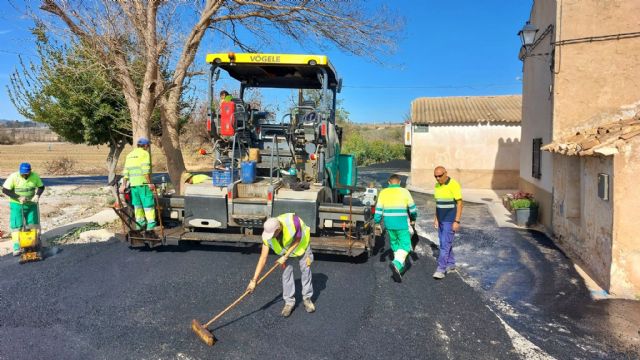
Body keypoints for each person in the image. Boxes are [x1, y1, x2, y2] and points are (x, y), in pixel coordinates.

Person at [246, 213, 315, 317]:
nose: (271, 237)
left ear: (278, 229)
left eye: (272, 234)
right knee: (286, 274)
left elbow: (297, 239)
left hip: (301, 246)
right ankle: (289, 302)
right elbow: (263, 258)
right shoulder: (268, 235)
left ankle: (307, 298)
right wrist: (254, 280)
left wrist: (285, 256)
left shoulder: (293, 221)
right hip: (286, 250)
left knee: (306, 271)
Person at [374, 174, 418, 283]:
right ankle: (397, 263)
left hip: (389, 223)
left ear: (389, 183)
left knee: (394, 243)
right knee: (406, 245)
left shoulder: (383, 192)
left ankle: (397, 267)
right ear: (399, 183)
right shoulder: (405, 192)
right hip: (401, 223)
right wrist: (413, 218)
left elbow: (378, 209)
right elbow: (412, 209)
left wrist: (377, 221)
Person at [2, 163, 45, 256]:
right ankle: (17, 247)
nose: (24, 175)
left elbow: (41, 187)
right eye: (23, 173)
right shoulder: (13, 177)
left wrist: (37, 195)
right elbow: (5, 190)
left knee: (33, 224)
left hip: (31, 205)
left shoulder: (35, 176)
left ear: (30, 171)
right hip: (17, 205)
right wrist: (18, 197)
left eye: (26, 173)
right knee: (17, 226)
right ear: (20, 171)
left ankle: (33, 244)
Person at [432, 166, 463, 280]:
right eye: (435, 176)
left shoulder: (453, 184)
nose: (438, 178)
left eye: (440, 175)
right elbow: (438, 203)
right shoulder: (436, 186)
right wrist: (436, 218)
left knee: (445, 244)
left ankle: (441, 269)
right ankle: (451, 263)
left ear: (446, 173)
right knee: (443, 242)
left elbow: (460, 203)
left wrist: (457, 221)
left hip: (450, 220)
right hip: (441, 219)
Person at [121, 137, 156, 231]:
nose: (148, 147)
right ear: (145, 145)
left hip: (133, 185)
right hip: (143, 184)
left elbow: (126, 171)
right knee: (148, 205)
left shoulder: (130, 155)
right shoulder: (144, 153)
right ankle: (151, 225)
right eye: (148, 146)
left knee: (137, 205)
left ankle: (140, 224)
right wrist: (150, 183)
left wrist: (123, 185)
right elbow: (145, 170)